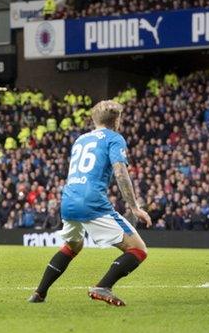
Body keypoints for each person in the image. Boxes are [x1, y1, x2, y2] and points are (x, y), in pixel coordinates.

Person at [29, 100, 152, 306]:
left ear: (95, 119)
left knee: (73, 245)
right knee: (138, 250)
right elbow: (120, 172)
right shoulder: (114, 138)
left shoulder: (81, 140)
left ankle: (39, 293)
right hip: (91, 201)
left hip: (68, 199)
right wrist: (134, 207)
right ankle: (103, 286)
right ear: (117, 120)